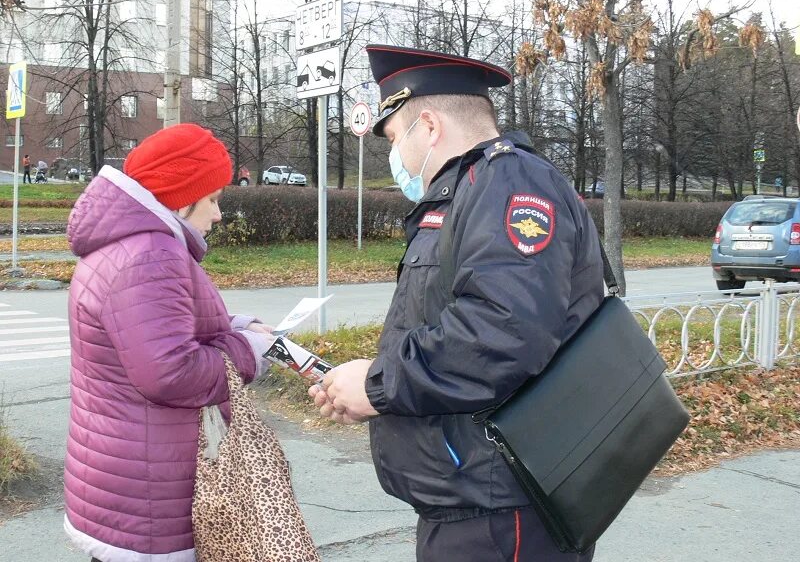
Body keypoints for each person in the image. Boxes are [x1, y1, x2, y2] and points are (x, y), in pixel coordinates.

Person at [310, 45, 605, 561]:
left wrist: (378, 385)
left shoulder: (508, 183)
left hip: (503, 509)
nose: (394, 157)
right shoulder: (471, 190)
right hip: (474, 500)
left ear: (428, 125)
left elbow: (503, 332)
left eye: (396, 138)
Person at [64, 123, 277, 562]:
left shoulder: (126, 245)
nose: (218, 214)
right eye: (214, 199)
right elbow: (170, 373)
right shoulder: (150, 254)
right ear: (181, 200)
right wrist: (248, 353)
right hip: (150, 492)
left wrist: (232, 327)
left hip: (126, 478)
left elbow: (143, 334)